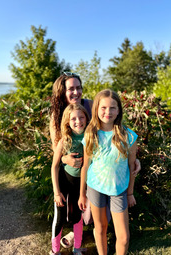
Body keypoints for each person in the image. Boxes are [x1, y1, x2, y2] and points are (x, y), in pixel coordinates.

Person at [49, 73, 141, 249]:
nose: (76, 92)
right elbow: (57, 150)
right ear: (62, 92)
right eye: (70, 88)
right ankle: (58, 247)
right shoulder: (57, 115)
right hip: (72, 175)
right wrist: (64, 158)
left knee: (97, 219)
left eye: (78, 87)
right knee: (70, 214)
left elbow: (116, 138)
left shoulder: (90, 105)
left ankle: (77, 238)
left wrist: (134, 161)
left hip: (106, 178)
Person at [78, 89, 138, 255]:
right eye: (103, 107)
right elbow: (85, 166)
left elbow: (132, 167)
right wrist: (82, 194)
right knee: (100, 227)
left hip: (118, 191)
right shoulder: (91, 134)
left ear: (118, 110)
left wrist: (130, 193)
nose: (108, 112)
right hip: (95, 187)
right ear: (96, 109)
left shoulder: (129, 137)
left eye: (112, 108)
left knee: (124, 237)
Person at [50, 103, 90, 255]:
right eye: (73, 118)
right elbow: (54, 166)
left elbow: (86, 166)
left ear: (86, 118)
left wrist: (82, 194)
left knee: (77, 216)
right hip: (63, 182)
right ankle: (55, 251)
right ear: (67, 121)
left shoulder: (89, 138)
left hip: (79, 184)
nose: (78, 121)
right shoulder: (64, 141)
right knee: (59, 217)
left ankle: (77, 248)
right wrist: (56, 192)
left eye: (81, 117)